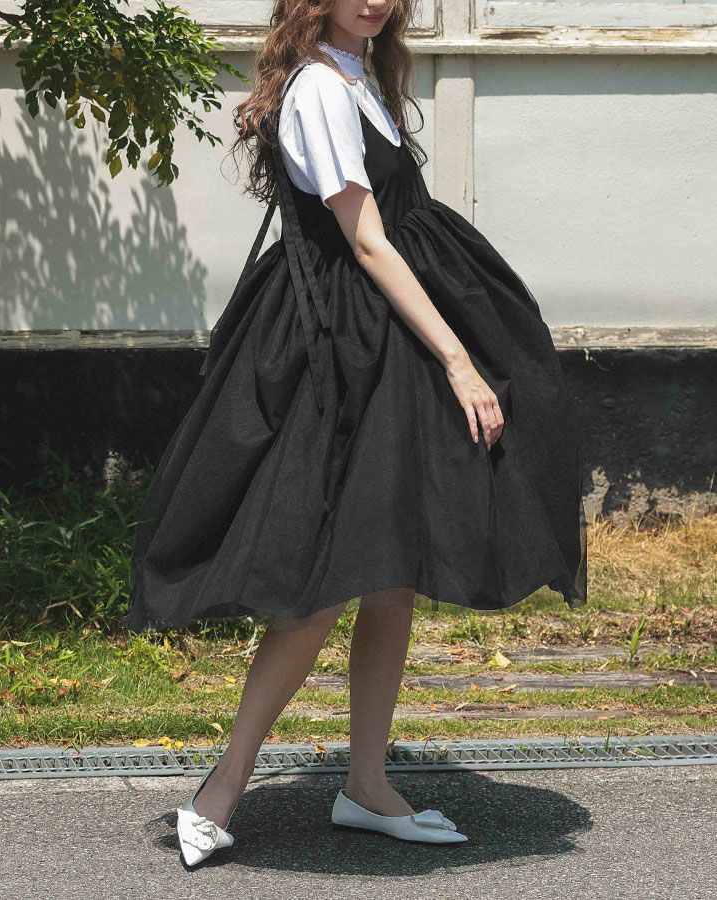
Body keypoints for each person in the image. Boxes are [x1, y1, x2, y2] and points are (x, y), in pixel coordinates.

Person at [123, 0, 588, 866]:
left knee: (390, 570)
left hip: (381, 340)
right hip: (339, 348)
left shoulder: (361, 74)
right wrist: (458, 359)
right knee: (322, 582)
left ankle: (367, 785)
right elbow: (365, 240)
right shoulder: (319, 90)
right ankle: (222, 786)